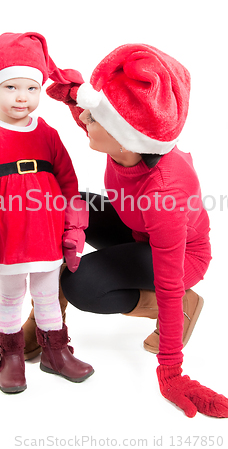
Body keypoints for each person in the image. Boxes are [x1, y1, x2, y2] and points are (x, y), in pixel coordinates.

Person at [46, 43, 228, 417]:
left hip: (179, 258)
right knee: (64, 204)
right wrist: (64, 89)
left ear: (126, 135)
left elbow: (168, 277)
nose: (84, 123)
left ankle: (177, 308)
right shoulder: (126, 144)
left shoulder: (165, 192)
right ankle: (45, 321)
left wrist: (172, 371)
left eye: (94, 121)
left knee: (80, 284)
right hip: (138, 227)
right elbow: (92, 111)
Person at [0, 32, 94, 394]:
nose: (22, 97)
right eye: (11, 86)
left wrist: (73, 232)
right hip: (6, 238)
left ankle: (55, 351)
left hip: (45, 236)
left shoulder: (47, 134)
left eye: (31, 88)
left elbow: (68, 184)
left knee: (47, 295)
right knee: (10, 297)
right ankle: (11, 356)